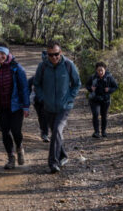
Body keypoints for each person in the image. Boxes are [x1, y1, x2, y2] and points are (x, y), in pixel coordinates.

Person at [34, 40, 81, 174]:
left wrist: (69, 99)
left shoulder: (68, 65)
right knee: (55, 133)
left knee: (56, 132)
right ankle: (63, 156)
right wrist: (42, 98)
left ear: (61, 52)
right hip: (48, 107)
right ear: (47, 54)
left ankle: (53, 163)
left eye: (56, 54)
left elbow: (77, 84)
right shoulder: (42, 66)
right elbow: (36, 84)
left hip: (64, 107)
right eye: (50, 55)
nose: (54, 57)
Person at [0, 42, 30, 169]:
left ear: (7, 53)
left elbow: (24, 88)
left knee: (16, 131)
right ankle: (11, 157)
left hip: (16, 106)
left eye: (2, 54)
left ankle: (20, 148)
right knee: (5, 132)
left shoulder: (16, 68)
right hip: (1, 107)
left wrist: (26, 106)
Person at [85, 62, 118, 138]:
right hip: (94, 99)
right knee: (95, 115)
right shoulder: (93, 77)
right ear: (96, 70)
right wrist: (91, 88)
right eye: (98, 70)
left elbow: (115, 86)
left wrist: (109, 89)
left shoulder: (109, 77)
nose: (100, 72)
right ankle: (96, 132)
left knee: (104, 116)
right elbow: (87, 85)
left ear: (105, 69)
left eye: (102, 70)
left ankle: (103, 131)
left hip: (105, 100)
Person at [28, 74, 49, 142]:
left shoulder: (51, 76)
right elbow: (27, 86)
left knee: (44, 115)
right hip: (37, 100)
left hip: (47, 100)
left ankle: (45, 133)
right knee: (41, 115)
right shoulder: (34, 78)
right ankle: (43, 130)